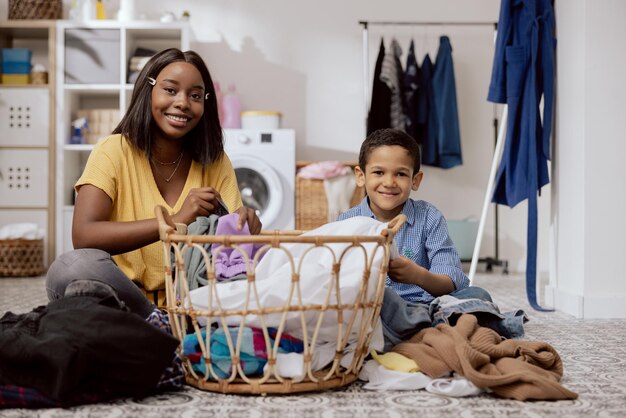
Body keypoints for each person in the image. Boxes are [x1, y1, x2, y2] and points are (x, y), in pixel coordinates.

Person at [46, 48, 261, 318]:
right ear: (148, 90)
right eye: (171, 90)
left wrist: (247, 227)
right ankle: (154, 322)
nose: (183, 103)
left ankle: (150, 332)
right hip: (125, 297)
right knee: (73, 267)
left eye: (195, 96)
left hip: (192, 301)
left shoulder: (214, 160)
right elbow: (84, 235)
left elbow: (229, 253)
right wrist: (173, 220)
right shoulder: (113, 150)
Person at [337, 128, 494, 349]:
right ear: (361, 176)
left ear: (415, 179)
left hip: (427, 305)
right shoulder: (346, 223)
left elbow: (450, 280)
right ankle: (430, 330)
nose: (389, 182)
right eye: (379, 172)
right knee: (375, 304)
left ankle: (419, 329)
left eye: (400, 174)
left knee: (478, 295)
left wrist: (418, 276)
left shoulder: (429, 217)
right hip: (378, 309)